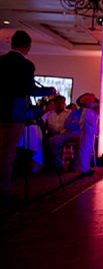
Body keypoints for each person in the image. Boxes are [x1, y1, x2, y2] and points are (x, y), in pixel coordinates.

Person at [0, 30, 53, 204]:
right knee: (7, 154)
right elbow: (30, 90)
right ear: (27, 47)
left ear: (12, 43)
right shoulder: (26, 66)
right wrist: (49, 91)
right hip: (14, 113)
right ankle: (4, 192)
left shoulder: (1, 61)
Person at [76, 93, 98, 177]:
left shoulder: (89, 112)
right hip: (86, 133)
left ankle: (86, 168)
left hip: (89, 133)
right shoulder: (86, 113)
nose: (94, 104)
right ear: (88, 103)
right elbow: (92, 122)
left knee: (88, 150)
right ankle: (83, 169)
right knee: (85, 150)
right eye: (92, 102)